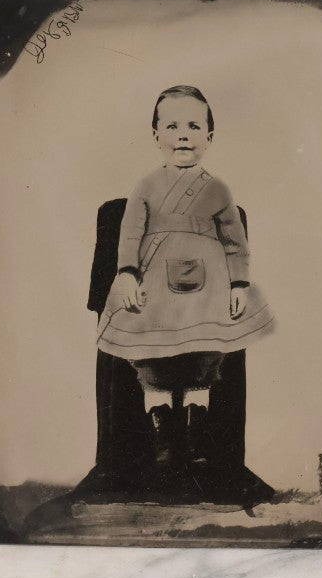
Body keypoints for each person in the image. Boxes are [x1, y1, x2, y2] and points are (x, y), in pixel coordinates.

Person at [98, 85, 275, 470]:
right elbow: (130, 234)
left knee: (205, 355)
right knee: (150, 354)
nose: (183, 135)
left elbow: (235, 243)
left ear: (209, 137)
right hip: (156, 284)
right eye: (173, 126)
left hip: (206, 288)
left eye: (194, 127)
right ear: (156, 135)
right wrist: (126, 273)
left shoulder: (219, 190)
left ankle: (196, 429)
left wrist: (238, 283)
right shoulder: (146, 186)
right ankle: (162, 432)